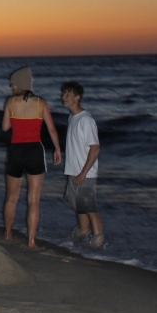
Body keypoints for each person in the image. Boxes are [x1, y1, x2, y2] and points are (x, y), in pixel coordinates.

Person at [2, 66, 61, 247]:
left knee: (11, 198)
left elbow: (5, 127)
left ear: (19, 84)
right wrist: (57, 149)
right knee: (34, 199)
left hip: (16, 151)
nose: (11, 86)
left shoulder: (11, 102)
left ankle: (8, 234)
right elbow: (51, 129)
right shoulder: (41, 103)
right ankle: (31, 241)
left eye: (13, 84)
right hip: (35, 151)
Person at [61, 80, 103, 248]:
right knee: (79, 206)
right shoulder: (72, 117)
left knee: (89, 207)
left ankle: (98, 242)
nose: (64, 96)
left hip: (84, 173)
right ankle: (83, 234)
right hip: (74, 171)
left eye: (68, 94)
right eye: (63, 93)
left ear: (77, 97)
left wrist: (83, 173)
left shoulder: (86, 120)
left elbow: (95, 148)